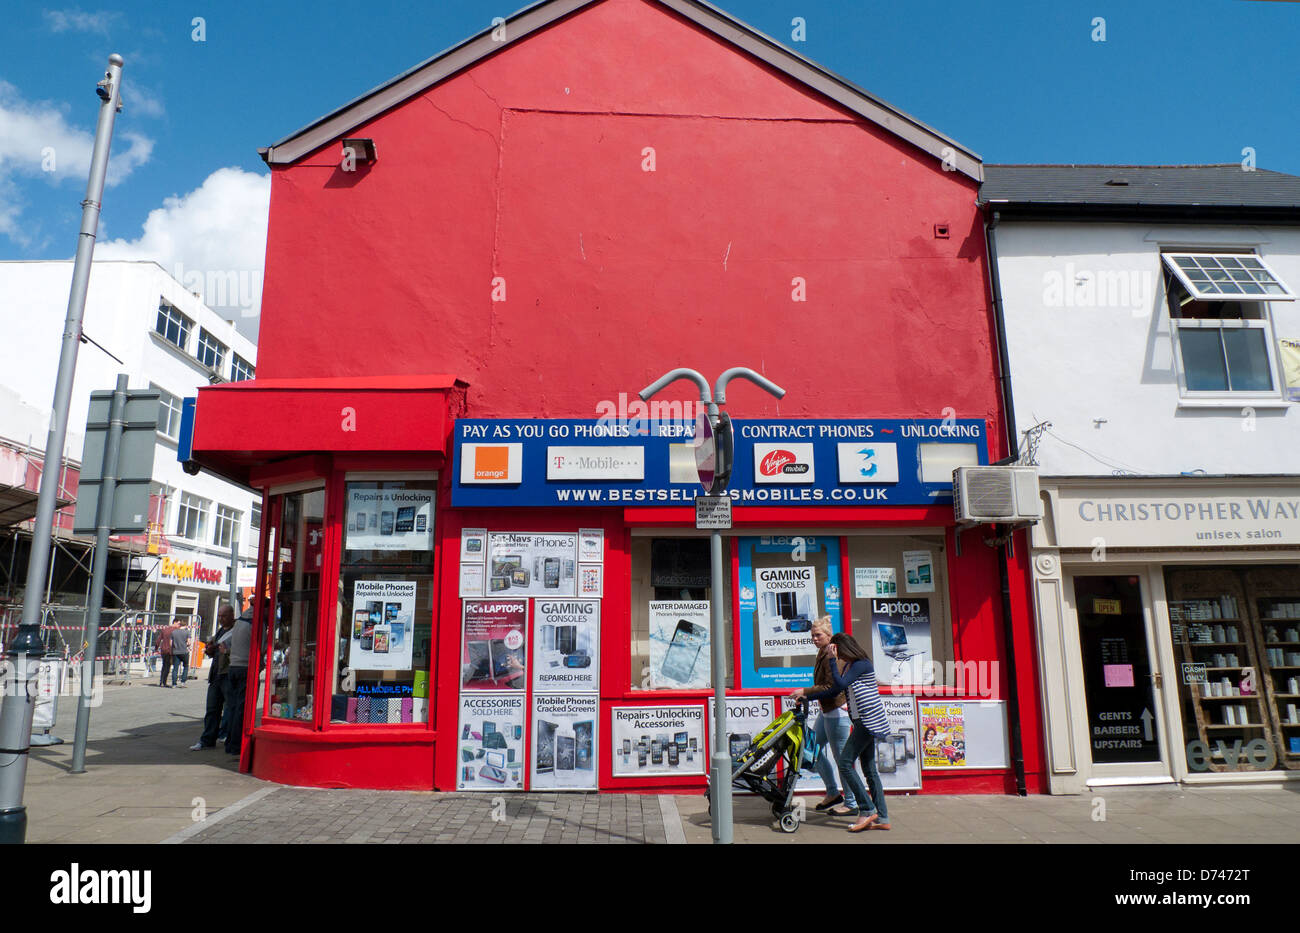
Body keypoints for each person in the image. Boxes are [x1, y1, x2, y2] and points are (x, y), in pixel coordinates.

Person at [792, 632, 891, 833]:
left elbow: (839, 685)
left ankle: (866, 809)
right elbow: (832, 691)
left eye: (836, 651)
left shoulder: (861, 664)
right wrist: (807, 697)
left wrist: (830, 660)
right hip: (863, 720)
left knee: (845, 763)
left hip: (867, 721)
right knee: (869, 769)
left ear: (843, 648)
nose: (835, 655)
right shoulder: (850, 666)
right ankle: (882, 817)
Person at [788, 617, 857, 814]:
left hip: (837, 713)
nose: (814, 639)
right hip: (827, 711)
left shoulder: (832, 655)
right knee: (811, 749)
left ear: (829, 636)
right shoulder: (823, 652)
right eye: (812, 636)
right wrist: (808, 696)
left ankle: (851, 803)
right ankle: (833, 793)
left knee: (842, 759)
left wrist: (805, 692)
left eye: (818, 635)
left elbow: (832, 687)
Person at [191, 605, 236, 750]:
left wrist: (227, 651)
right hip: (216, 674)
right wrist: (210, 650)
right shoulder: (220, 631)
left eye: (224, 616)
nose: (221, 619)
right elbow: (215, 651)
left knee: (230, 708)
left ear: (231, 615)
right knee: (212, 708)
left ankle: (227, 735)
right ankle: (207, 739)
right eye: (220, 616)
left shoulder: (236, 631)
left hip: (228, 673)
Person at [224, 596, 254, 756]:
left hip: (233, 667)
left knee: (233, 707)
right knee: (243, 709)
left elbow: (230, 646)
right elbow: (260, 648)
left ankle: (230, 743)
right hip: (246, 668)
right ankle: (237, 745)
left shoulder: (239, 622)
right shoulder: (255, 623)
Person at [169, 617, 192, 686]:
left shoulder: (173, 632)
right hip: (184, 651)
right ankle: (183, 682)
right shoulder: (187, 632)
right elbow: (189, 643)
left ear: (179, 625)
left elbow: (170, 643)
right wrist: (186, 645)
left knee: (175, 668)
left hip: (176, 652)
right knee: (185, 666)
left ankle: (174, 683)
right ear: (185, 626)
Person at [156, 618, 176, 687]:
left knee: (164, 665)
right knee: (167, 666)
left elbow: (158, 640)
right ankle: (164, 681)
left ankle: (161, 681)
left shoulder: (165, 629)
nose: (179, 625)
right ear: (175, 622)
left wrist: (156, 648)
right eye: (178, 623)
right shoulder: (175, 631)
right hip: (170, 651)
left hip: (163, 650)